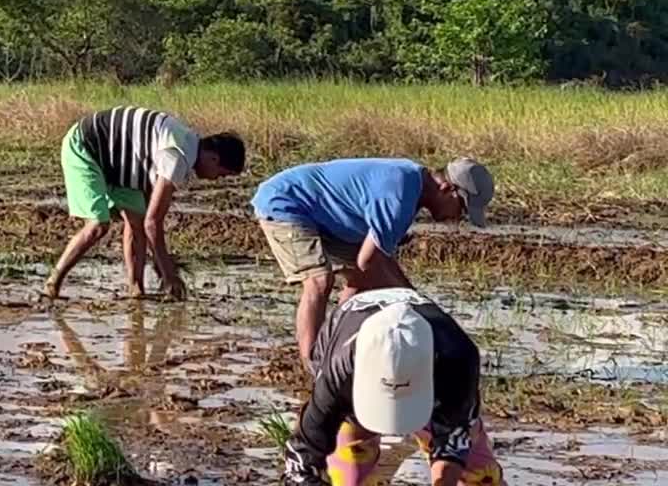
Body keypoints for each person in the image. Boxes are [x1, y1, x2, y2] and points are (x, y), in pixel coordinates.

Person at [251, 157, 493, 370]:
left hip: (328, 216)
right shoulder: (400, 196)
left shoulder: (413, 185)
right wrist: (415, 301)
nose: (459, 217)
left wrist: (416, 299)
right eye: (462, 207)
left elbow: (373, 263)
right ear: (447, 188)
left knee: (362, 281)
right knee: (319, 281)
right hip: (287, 202)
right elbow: (368, 261)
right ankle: (312, 366)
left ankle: (332, 346)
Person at [282, 288, 502, 486]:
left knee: (481, 476)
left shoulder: (458, 360)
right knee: (349, 477)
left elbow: (452, 445)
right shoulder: (337, 374)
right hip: (348, 379)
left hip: (442, 383)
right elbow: (301, 462)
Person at [43, 106, 246, 300]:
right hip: (87, 146)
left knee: (136, 219)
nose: (215, 180)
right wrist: (169, 274)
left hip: (120, 162)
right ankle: (53, 283)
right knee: (98, 225)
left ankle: (136, 290)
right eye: (221, 174)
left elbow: (148, 213)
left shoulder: (187, 143)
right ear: (213, 158)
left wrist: (160, 261)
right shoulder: (177, 156)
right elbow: (153, 222)